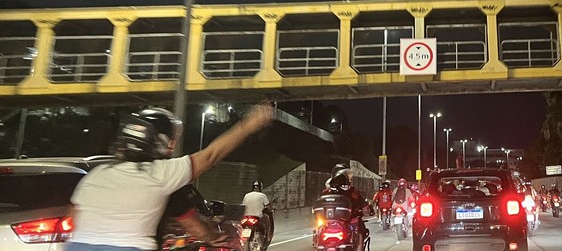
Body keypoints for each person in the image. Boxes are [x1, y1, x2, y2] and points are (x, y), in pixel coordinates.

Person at [68, 104, 273, 251]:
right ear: (162, 142)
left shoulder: (94, 176)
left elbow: (74, 216)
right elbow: (211, 155)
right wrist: (250, 124)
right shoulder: (161, 173)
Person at [322, 164, 370, 251]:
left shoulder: (326, 191)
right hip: (343, 222)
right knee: (359, 227)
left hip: (331, 222)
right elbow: (365, 207)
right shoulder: (352, 192)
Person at [243, 180, 274, 247]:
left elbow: (243, 205)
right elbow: (268, 207)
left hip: (246, 217)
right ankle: (268, 237)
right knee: (268, 221)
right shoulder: (263, 196)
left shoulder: (246, 195)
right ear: (260, 188)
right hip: (258, 217)